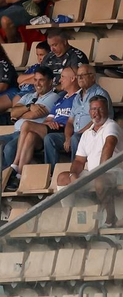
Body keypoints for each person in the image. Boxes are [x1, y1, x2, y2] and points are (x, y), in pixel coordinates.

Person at [60, 94, 121, 224]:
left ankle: (111, 218)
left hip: (113, 172)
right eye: (93, 109)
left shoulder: (111, 126)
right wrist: (73, 174)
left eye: (100, 109)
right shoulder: (87, 133)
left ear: (107, 110)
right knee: (63, 178)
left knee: (100, 181)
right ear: (89, 112)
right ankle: (69, 218)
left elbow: (109, 146)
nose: (96, 113)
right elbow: (79, 160)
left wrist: (100, 172)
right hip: (93, 174)